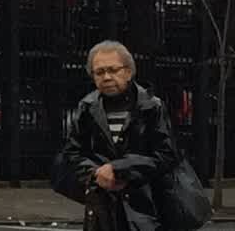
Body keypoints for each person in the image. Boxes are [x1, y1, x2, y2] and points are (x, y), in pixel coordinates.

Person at [55, 39, 180, 231]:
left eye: (113, 70)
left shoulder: (151, 107)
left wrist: (118, 169)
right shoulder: (87, 108)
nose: (106, 77)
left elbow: (167, 155)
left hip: (146, 210)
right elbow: (72, 154)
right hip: (102, 210)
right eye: (99, 72)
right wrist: (96, 173)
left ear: (128, 72)